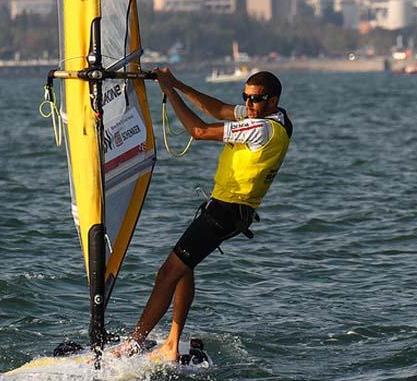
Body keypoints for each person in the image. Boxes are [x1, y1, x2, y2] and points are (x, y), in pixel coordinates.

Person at [117, 66, 292, 362]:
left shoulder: (259, 128)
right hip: (233, 212)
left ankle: (131, 345)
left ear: (272, 100)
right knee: (185, 267)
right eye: (246, 98)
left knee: (167, 274)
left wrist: (168, 91)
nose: (249, 105)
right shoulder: (279, 119)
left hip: (223, 212)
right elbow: (219, 109)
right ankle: (172, 343)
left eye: (256, 100)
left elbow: (197, 131)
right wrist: (178, 83)